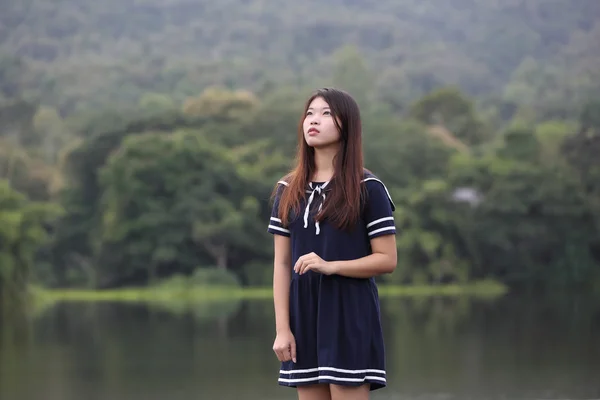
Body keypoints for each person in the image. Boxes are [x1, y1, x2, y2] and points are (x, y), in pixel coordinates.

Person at [267, 87, 398, 400]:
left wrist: (330, 266)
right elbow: (282, 264)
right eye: (310, 114)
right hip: (302, 316)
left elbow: (387, 259)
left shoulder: (367, 188)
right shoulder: (288, 190)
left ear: (346, 125)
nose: (314, 120)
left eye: (326, 113)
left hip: (348, 312)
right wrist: (282, 329)